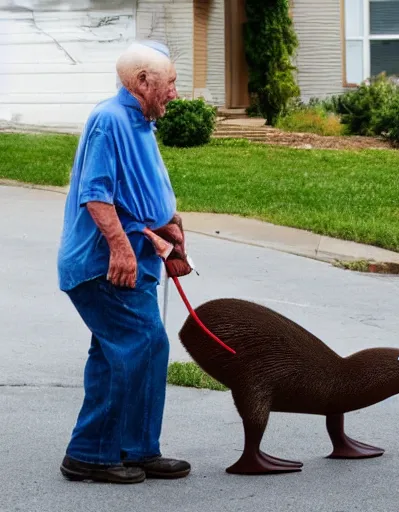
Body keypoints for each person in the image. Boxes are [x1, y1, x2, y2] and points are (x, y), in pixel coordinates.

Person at [56, 40, 193, 484]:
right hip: (104, 265)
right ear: (142, 82)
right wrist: (120, 247)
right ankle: (91, 454)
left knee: (120, 352)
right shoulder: (109, 120)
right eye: (170, 83)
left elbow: (144, 188)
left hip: (137, 260)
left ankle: (133, 449)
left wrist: (170, 224)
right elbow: (95, 194)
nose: (175, 92)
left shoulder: (140, 123)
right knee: (142, 344)